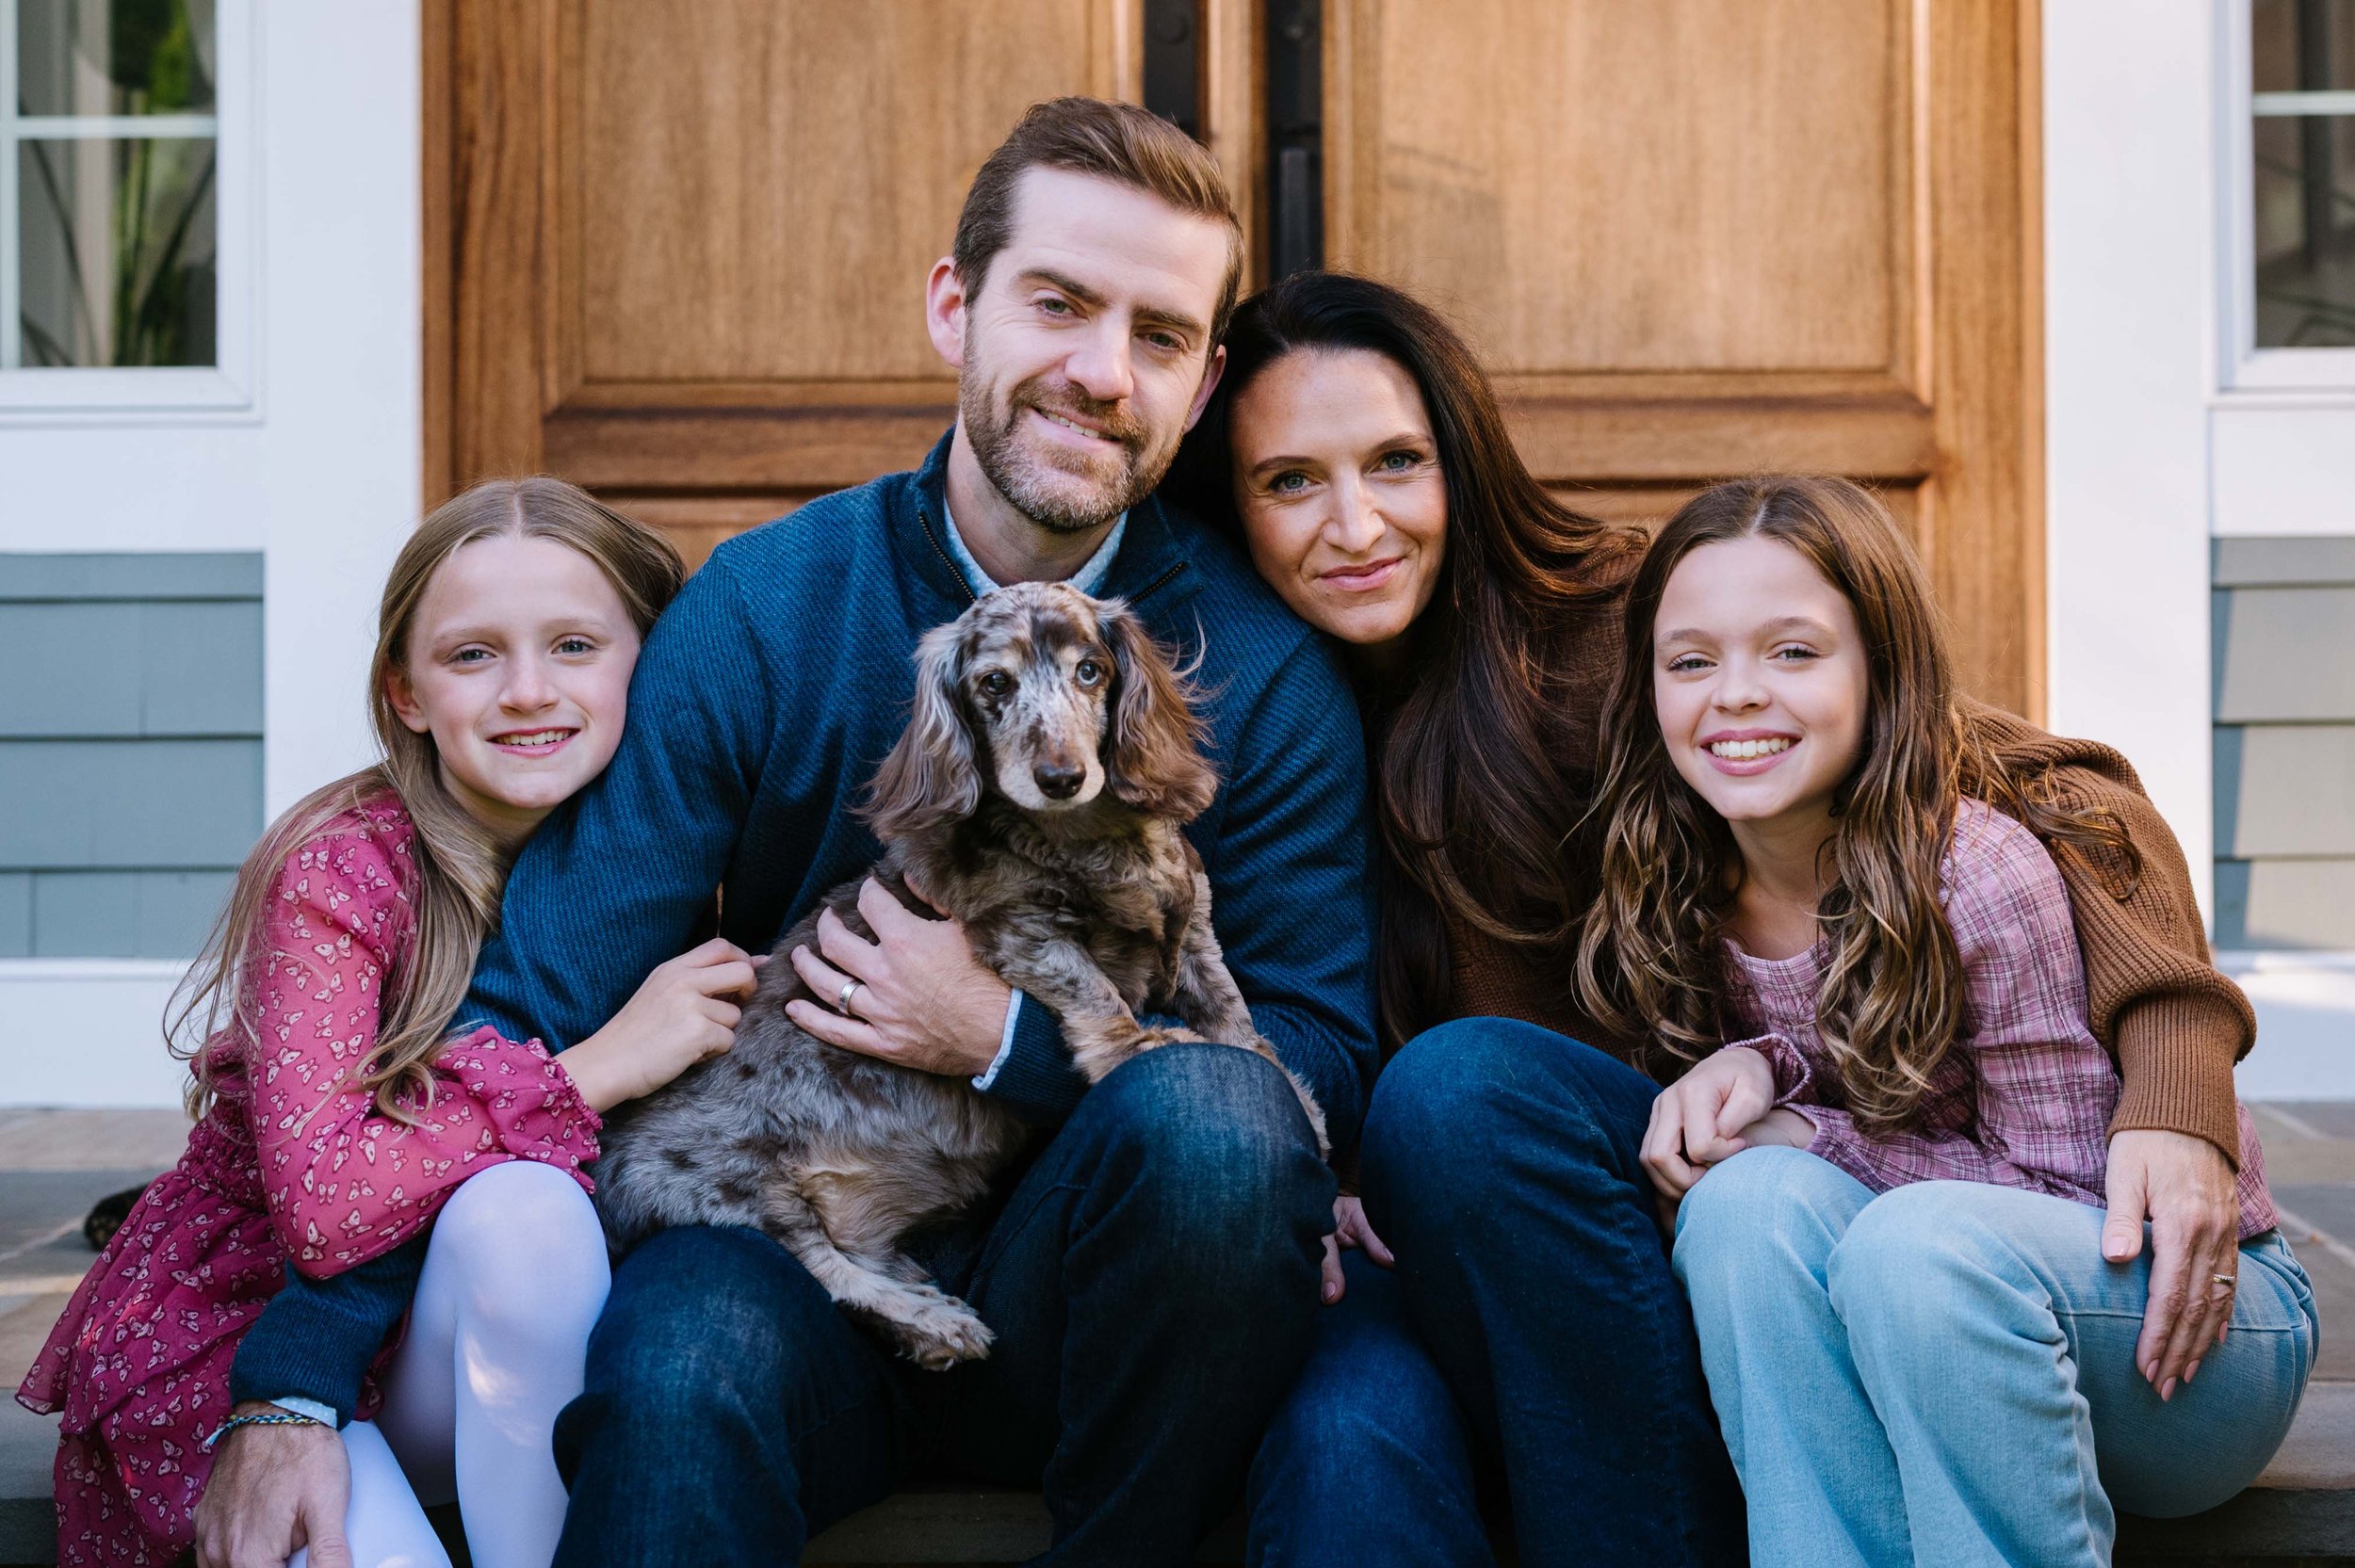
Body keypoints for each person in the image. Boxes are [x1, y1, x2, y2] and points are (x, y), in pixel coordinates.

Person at [217, 97, 1373, 1568]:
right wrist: (296, 1383)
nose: (1099, 370)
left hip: (1118, 1292)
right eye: (1059, 303)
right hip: (795, 1256)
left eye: (1156, 335)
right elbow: (533, 1009)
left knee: (1221, 1118)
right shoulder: (770, 608)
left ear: (1203, 383)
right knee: (678, 1355)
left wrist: (1002, 1036)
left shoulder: (1255, 666)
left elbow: (1317, 1054)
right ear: (955, 307)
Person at [1161, 270, 2280, 1567]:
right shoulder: (1216, 698)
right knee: (1348, 1445)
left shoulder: (1625, 635)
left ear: (1459, 463)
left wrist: (2179, 1078)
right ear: (1231, 506)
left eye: (1397, 461)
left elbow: (2063, 790)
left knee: (1462, 1087)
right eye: (1290, 480)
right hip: (1424, 1234)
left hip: (1698, 1196)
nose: (1355, 522)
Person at [15, 478, 761, 1567]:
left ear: (652, 664)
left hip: (476, 1342)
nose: (525, 690)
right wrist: (594, 1068)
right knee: (522, 1203)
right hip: (256, 1333)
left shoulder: (675, 856)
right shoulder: (341, 868)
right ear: (405, 690)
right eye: (471, 656)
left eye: (573, 646)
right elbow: (323, 1206)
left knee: (523, 1214)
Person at [1598, 475, 2313, 1565]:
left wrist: (1812, 1129)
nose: (1735, 693)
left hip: (2182, 1337)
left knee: (1916, 1246)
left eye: (1793, 652)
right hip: (1930, 1364)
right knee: (1742, 1206)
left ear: (1880, 671)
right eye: (1691, 660)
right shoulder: (1669, 874)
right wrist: (1761, 1068)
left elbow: (2077, 1202)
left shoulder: (1975, 869)